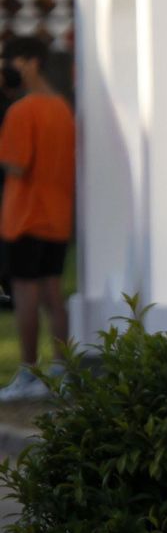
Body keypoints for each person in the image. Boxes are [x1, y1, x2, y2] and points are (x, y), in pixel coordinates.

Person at [0, 37, 74, 402]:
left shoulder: (23, 112)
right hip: (58, 216)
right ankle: (62, 370)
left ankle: (29, 373)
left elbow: (17, 164)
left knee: (26, 294)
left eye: (11, 60)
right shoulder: (62, 108)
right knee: (53, 294)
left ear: (30, 63)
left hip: (25, 217)